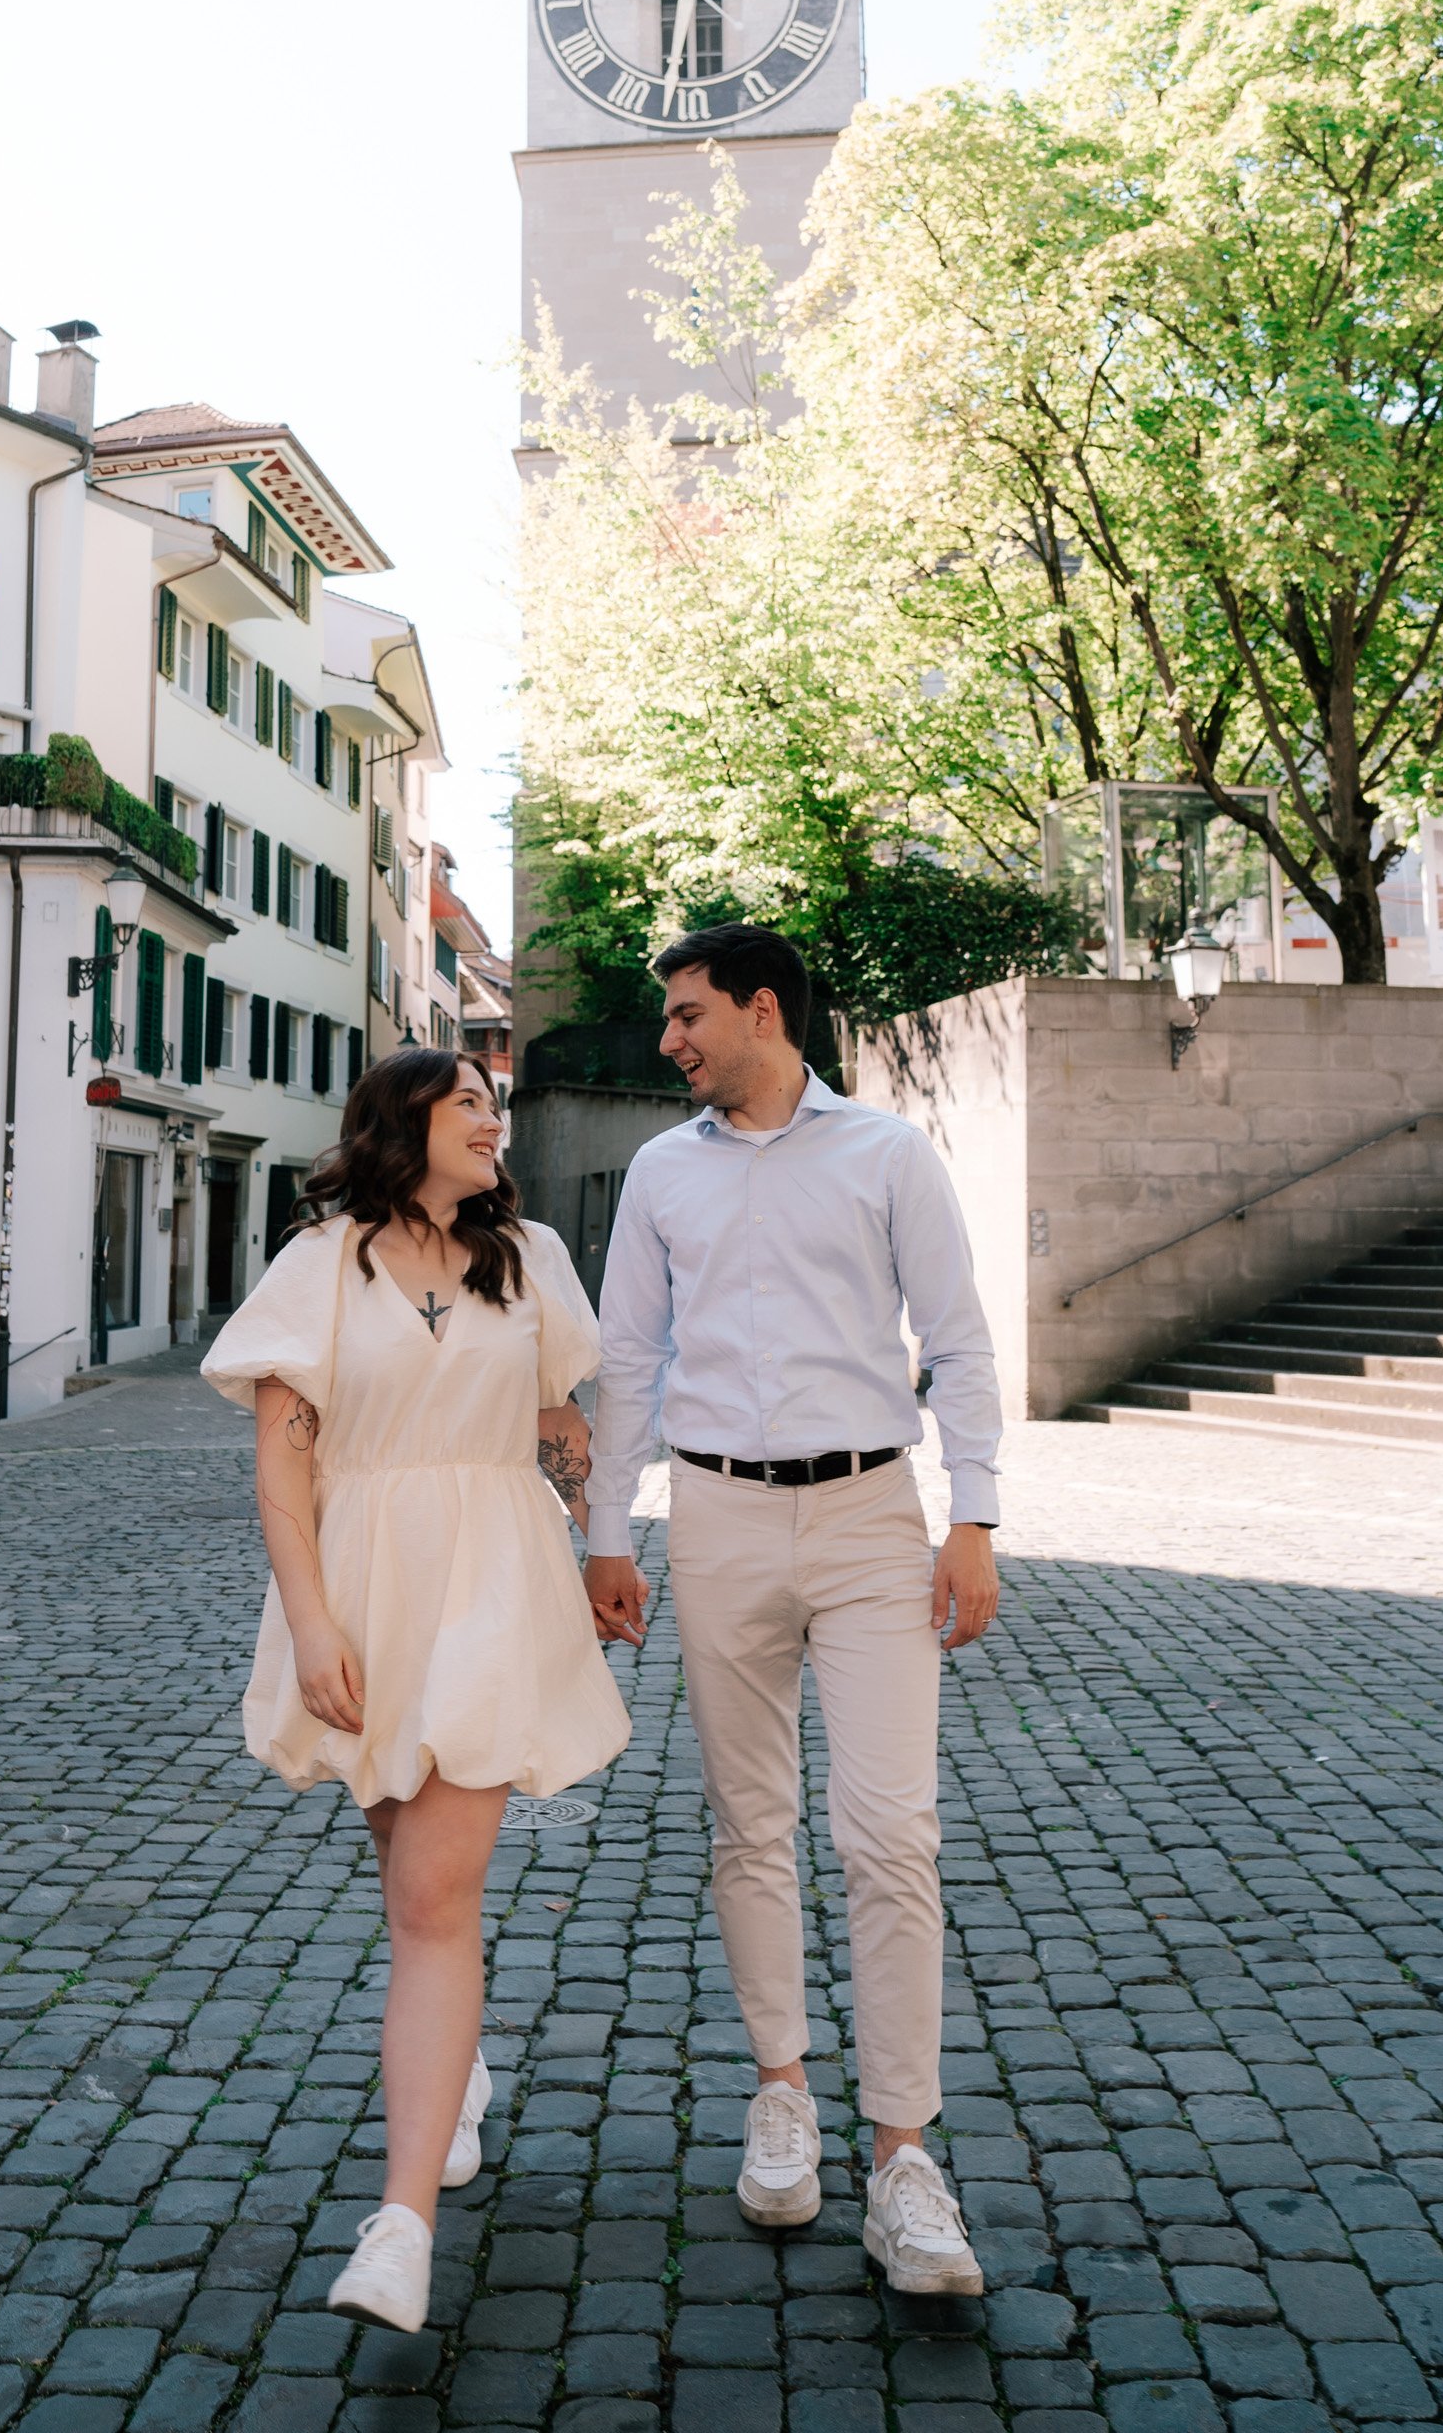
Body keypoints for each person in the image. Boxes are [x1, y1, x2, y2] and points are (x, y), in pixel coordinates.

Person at [584, 923, 1001, 2292]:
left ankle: (904, 2159)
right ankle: (783, 2094)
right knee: (747, 1824)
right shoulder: (657, 1173)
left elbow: (957, 1342)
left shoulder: (888, 1156)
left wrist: (976, 1518)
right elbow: (630, 1358)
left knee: (891, 1832)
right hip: (715, 1518)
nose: (671, 1041)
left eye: (691, 1016)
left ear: (765, 1013)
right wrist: (608, 1538)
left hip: (874, 1517)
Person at [202, 1047, 628, 2334]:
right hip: (367, 1589)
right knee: (407, 1882)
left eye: (495, 1108)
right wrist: (316, 1623)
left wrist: (599, 1539)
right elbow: (284, 1475)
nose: (495, 1123)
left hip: (498, 1580)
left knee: (436, 1899)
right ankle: (457, 2064)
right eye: (470, 1106)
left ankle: (400, 2227)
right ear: (403, 1126)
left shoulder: (531, 1259)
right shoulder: (317, 1268)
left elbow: (558, 1421)